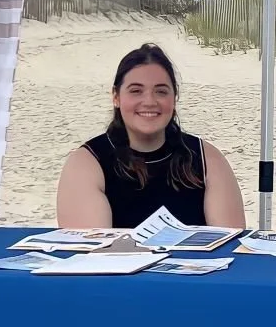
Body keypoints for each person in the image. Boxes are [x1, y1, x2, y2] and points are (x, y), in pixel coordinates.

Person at [56, 43, 245, 228]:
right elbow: (95, 250)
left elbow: (229, 244)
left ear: (174, 98)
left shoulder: (206, 159)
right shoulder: (88, 162)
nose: (149, 101)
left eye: (161, 91)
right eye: (136, 91)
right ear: (116, 97)